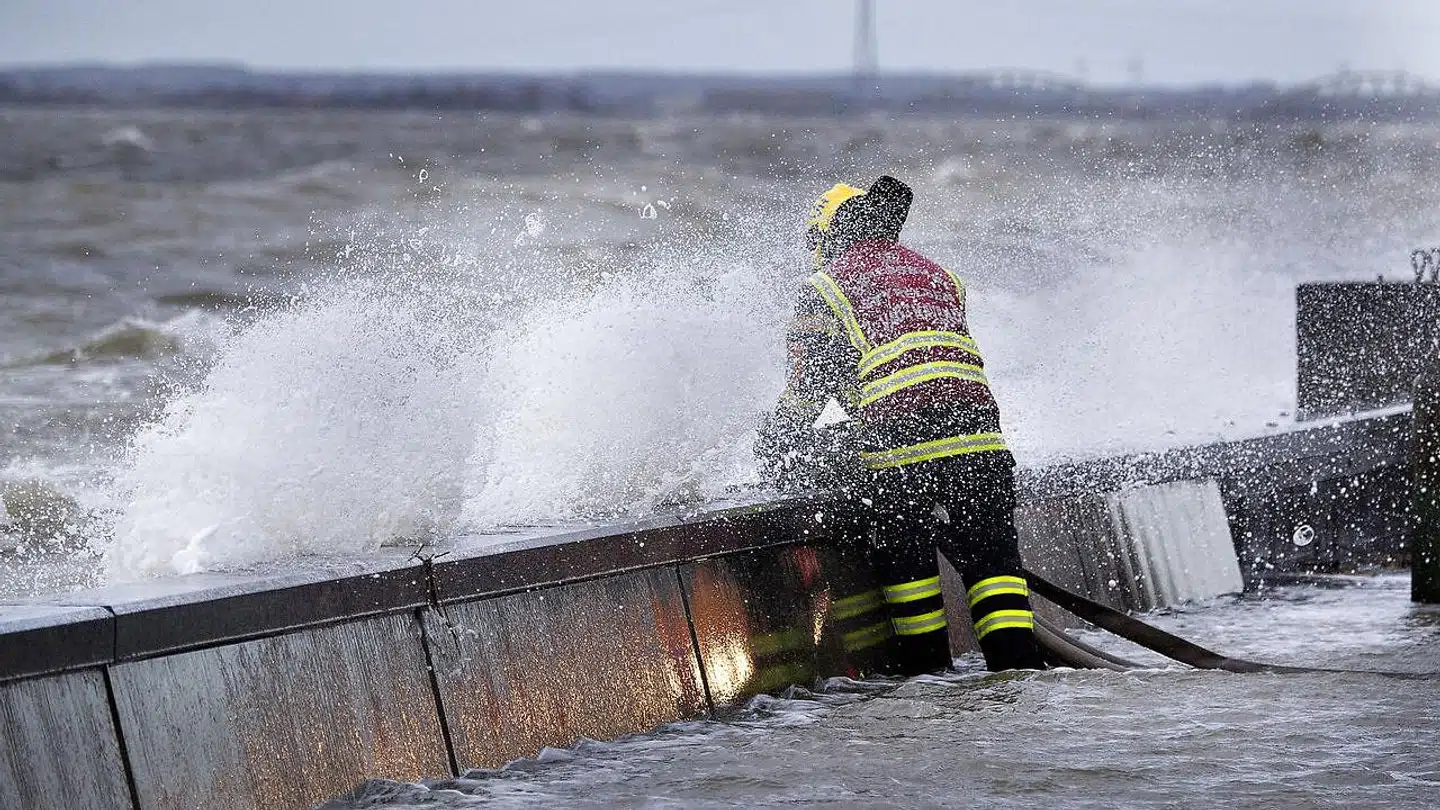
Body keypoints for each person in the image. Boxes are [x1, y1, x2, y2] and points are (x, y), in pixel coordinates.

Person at [757, 175, 1045, 674]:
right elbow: (928, 367)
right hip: (983, 440)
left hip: (901, 452)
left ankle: (931, 675)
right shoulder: (938, 274)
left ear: (827, 237)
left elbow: (807, 395)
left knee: (908, 568)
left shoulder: (825, 287)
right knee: (994, 568)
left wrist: (773, 445)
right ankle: (1018, 674)